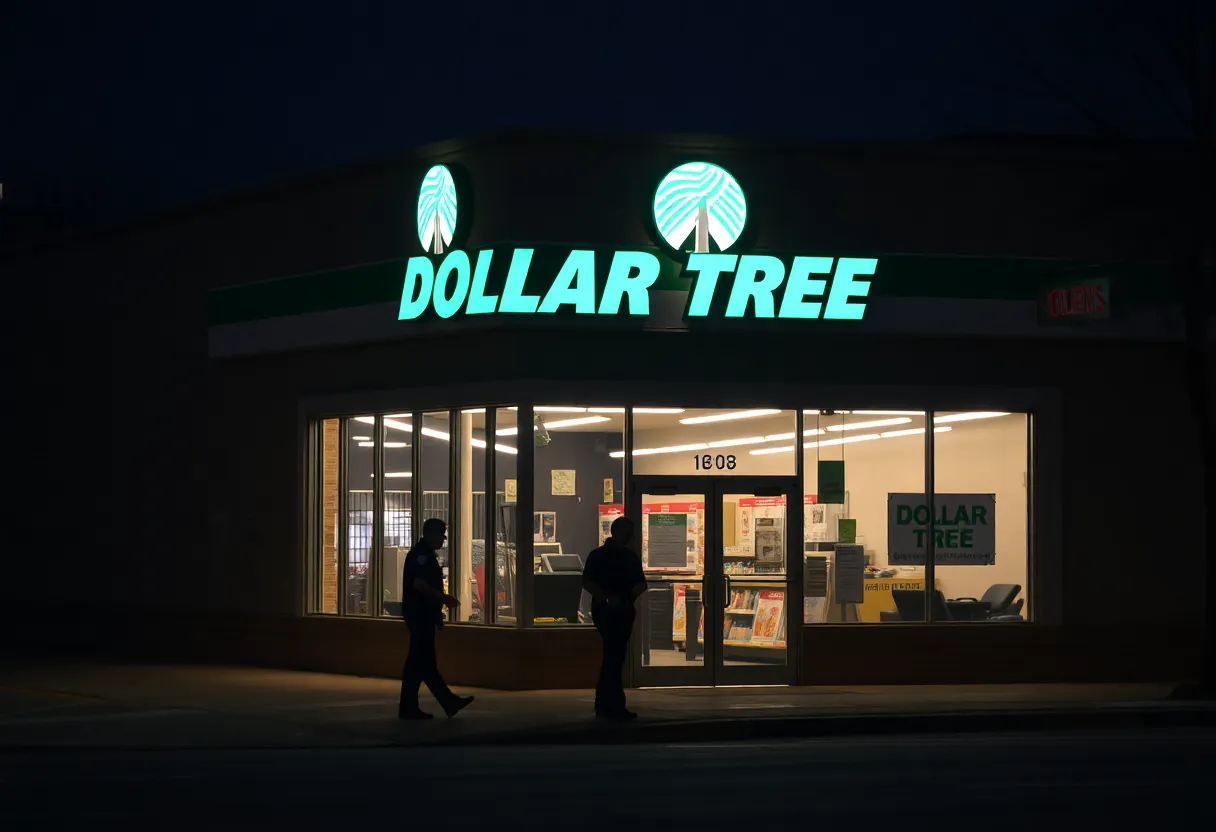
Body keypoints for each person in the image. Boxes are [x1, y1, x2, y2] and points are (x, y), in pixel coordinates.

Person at [398, 518, 474, 720]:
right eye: (442, 535)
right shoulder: (421, 556)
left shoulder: (424, 554)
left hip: (422, 615)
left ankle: (414, 707)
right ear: (431, 534)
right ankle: (447, 702)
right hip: (420, 616)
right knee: (422, 663)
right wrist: (444, 599)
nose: (443, 539)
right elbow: (419, 584)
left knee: (418, 665)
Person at [582, 516, 647, 720]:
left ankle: (606, 703)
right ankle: (613, 704)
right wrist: (616, 599)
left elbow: (588, 582)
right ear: (619, 532)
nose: (631, 537)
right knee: (615, 657)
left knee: (613, 657)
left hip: (610, 609)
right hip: (612, 610)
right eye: (629, 532)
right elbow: (640, 584)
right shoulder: (626, 557)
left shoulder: (599, 555)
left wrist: (608, 598)